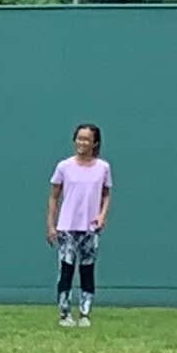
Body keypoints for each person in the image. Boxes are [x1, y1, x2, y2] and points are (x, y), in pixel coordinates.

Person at [45, 121, 112, 327]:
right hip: (66, 227)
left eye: (87, 139)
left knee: (87, 270)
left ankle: (85, 313)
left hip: (90, 228)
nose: (82, 143)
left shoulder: (103, 168)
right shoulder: (64, 166)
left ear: (95, 143)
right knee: (66, 269)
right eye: (79, 138)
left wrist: (102, 216)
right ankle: (64, 313)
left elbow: (106, 193)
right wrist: (51, 224)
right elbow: (54, 197)